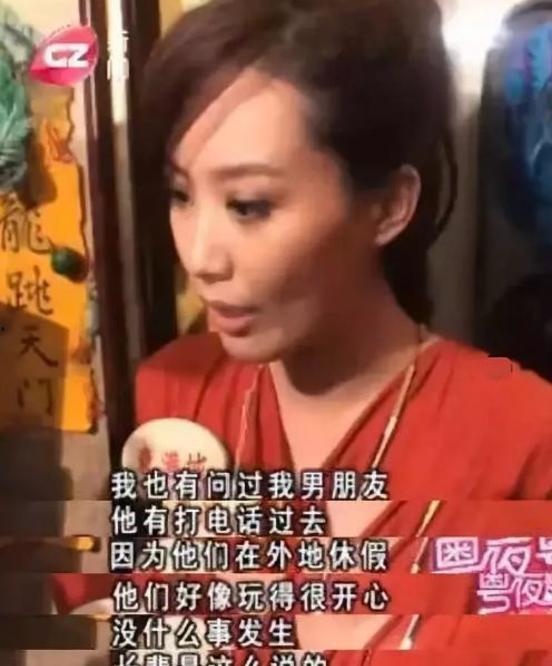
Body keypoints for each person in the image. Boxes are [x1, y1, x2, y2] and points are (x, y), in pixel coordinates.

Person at [55, 0, 552, 662]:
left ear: (388, 206)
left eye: (249, 205)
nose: (200, 257)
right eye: (180, 195)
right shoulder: (177, 393)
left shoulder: (518, 444)